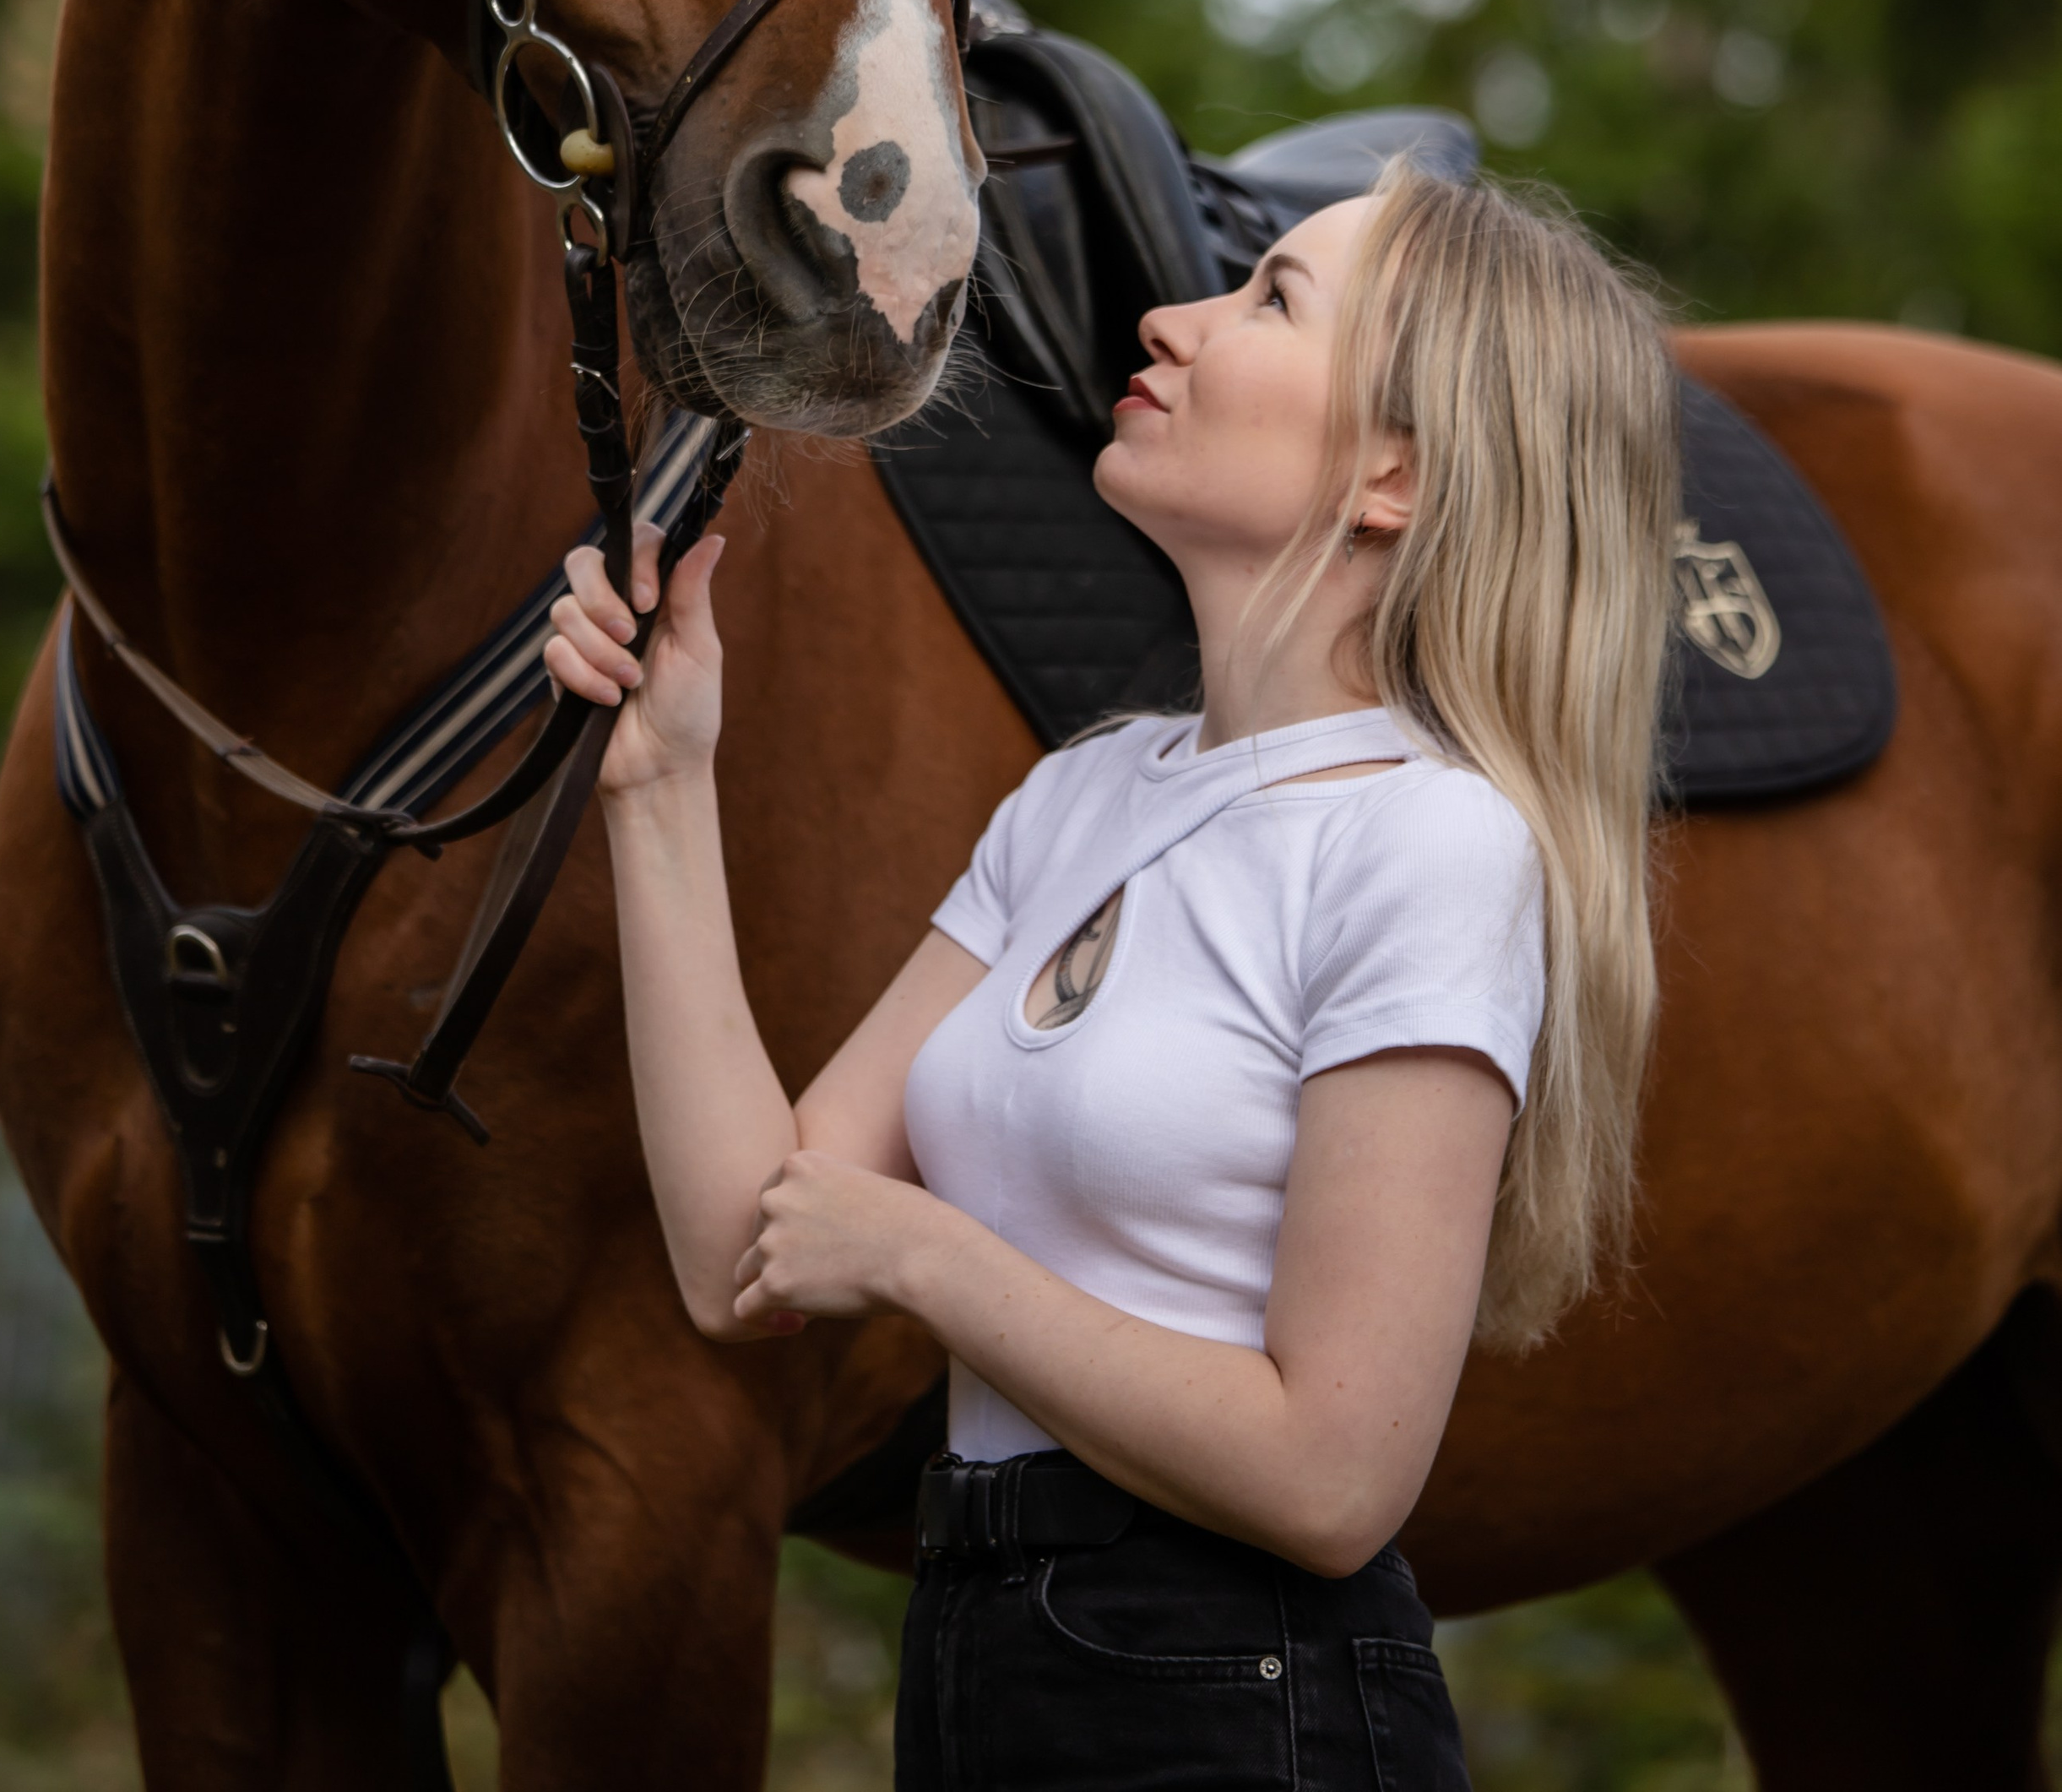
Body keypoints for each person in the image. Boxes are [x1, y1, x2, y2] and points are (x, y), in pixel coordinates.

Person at [547, 159, 1677, 1791]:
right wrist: (663, 789)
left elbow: (1332, 1476)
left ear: (1396, 481)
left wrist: (933, 1263)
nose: (1170, 318)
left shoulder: (1428, 845)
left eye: (1271, 296)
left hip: (1238, 1691)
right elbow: (746, 1252)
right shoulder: (1080, 795)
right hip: (983, 1652)